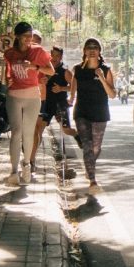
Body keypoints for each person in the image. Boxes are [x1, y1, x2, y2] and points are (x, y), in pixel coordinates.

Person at [3, 22, 55, 186]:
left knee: (27, 132)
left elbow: (51, 71)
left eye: (30, 36)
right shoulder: (10, 53)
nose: (28, 39)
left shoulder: (38, 51)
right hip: (14, 95)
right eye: (25, 36)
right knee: (16, 132)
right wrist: (8, 83)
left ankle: (26, 165)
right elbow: (8, 72)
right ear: (17, 36)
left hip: (33, 96)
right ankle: (13, 171)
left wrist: (35, 67)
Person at [68, 37, 116, 194]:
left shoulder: (106, 69)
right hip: (81, 112)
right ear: (84, 51)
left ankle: (89, 167)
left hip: (100, 113)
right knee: (88, 146)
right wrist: (69, 100)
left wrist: (101, 77)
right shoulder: (78, 70)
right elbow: (73, 90)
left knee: (95, 148)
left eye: (95, 47)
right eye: (89, 47)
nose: (92, 50)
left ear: (100, 51)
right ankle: (93, 181)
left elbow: (112, 94)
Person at [30, 45, 76, 171]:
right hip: (46, 104)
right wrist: (42, 82)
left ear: (61, 57)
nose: (55, 58)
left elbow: (74, 87)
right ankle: (31, 160)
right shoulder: (45, 68)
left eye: (57, 56)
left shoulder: (65, 71)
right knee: (38, 130)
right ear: (50, 55)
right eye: (53, 55)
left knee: (66, 130)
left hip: (60, 104)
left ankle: (79, 136)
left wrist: (62, 88)